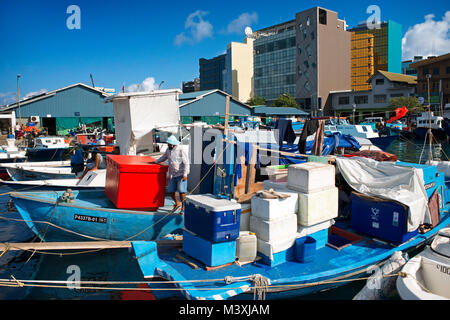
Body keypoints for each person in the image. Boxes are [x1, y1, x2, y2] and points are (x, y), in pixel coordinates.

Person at [152, 135, 189, 213]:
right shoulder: (168, 150)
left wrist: (185, 174)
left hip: (181, 173)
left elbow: (186, 162)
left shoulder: (181, 150)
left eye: (169, 144)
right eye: (168, 144)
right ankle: (177, 203)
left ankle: (183, 207)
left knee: (182, 191)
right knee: (171, 190)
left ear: (173, 144)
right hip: (172, 174)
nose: (168, 145)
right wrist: (155, 162)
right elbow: (164, 157)